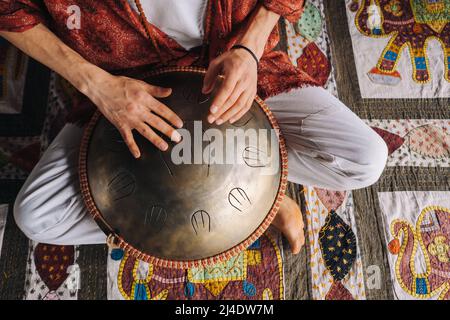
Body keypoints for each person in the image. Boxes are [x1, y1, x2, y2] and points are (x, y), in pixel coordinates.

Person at [0, 0, 388, 255]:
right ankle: (234, 206)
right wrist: (97, 85)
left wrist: (250, 49)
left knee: (366, 160)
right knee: (36, 216)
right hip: (127, 79)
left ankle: (264, 197)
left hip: (230, 58)